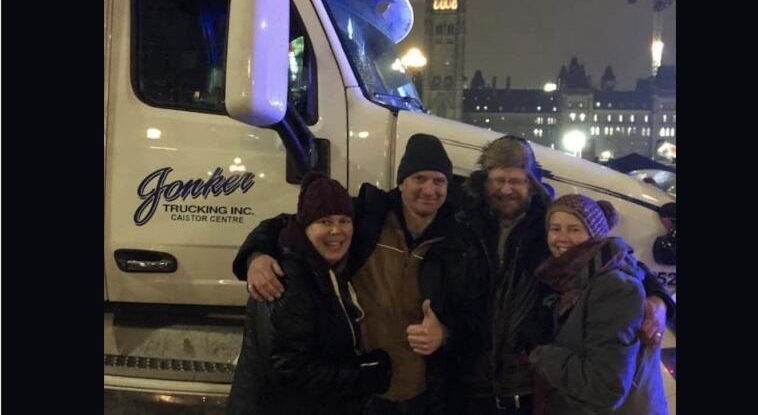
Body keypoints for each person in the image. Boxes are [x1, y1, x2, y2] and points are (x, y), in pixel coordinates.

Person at [233, 134, 479, 415]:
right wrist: (257, 255)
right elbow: (293, 224)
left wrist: (445, 334)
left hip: (424, 393)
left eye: (439, 181)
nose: (429, 189)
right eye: (419, 178)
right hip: (364, 392)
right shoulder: (367, 215)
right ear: (401, 182)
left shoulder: (460, 240)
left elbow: (474, 314)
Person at [455, 136, 673, 414]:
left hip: (527, 378)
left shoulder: (548, 223)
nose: (506, 189)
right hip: (472, 375)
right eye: (499, 180)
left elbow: (615, 257)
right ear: (485, 181)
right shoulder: (465, 221)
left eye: (516, 181)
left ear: (530, 182)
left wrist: (659, 298)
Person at [226, 171, 392, 415]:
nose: (336, 231)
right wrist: (366, 374)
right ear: (304, 226)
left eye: (344, 220)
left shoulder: (322, 266)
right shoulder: (285, 281)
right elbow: (291, 371)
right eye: (324, 221)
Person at [529, 194, 669, 415]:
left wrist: (540, 356)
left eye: (574, 229)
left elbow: (606, 388)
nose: (562, 238)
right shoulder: (565, 278)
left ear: (594, 235)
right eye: (555, 229)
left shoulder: (614, 287)